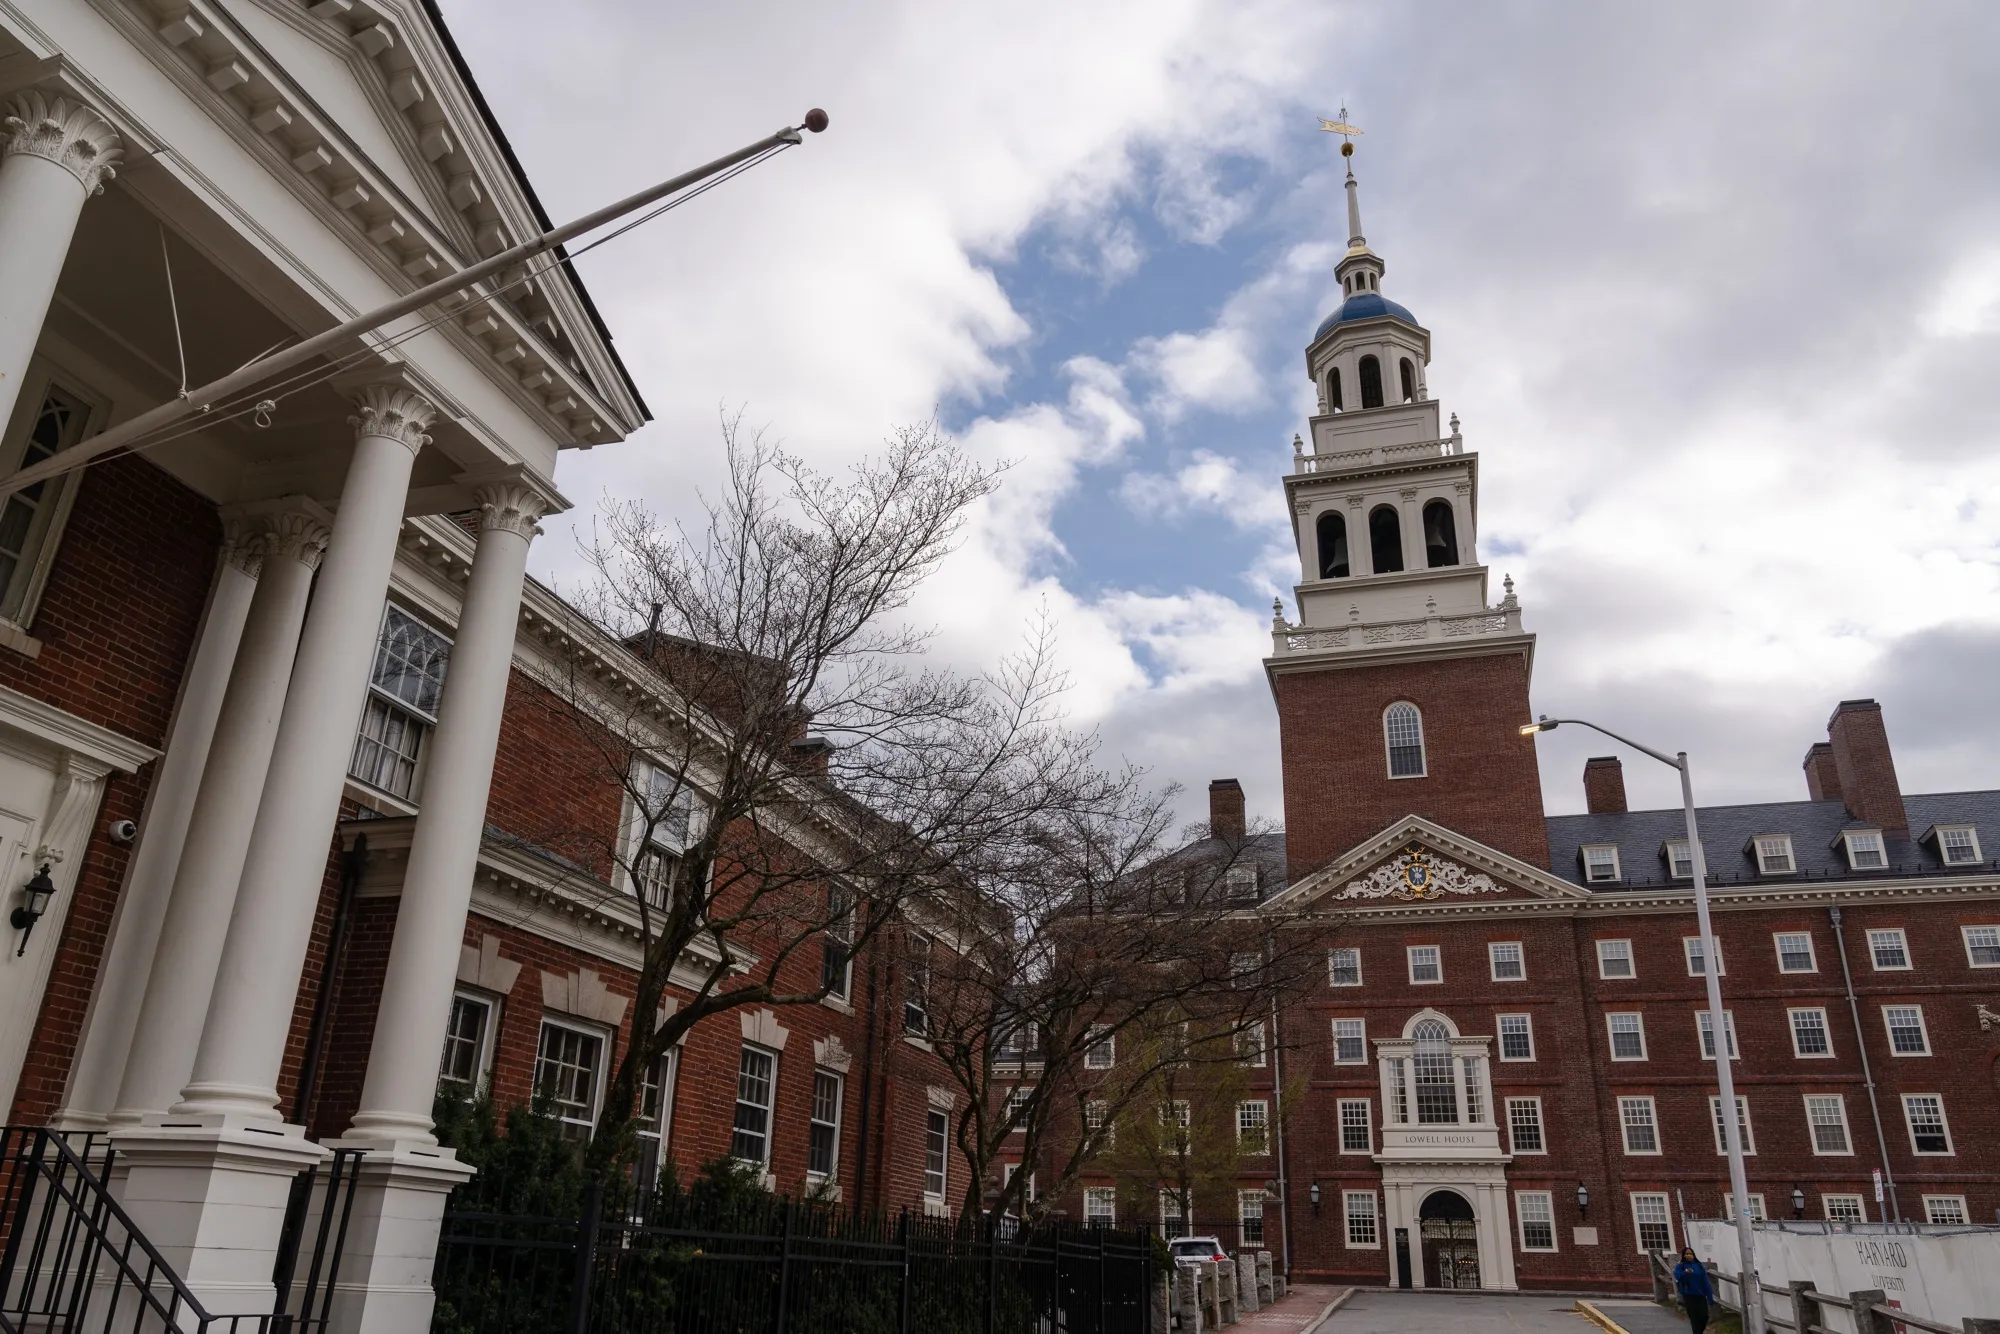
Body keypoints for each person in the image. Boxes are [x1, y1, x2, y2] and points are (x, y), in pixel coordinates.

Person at [1673, 1246, 1716, 1334]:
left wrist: (1710, 1297)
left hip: (1700, 1295)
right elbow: (1678, 1277)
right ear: (1684, 1255)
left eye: (1690, 1254)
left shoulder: (1699, 1266)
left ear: (1693, 1255)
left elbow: (1705, 1282)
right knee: (1694, 1318)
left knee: (1704, 1317)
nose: (1689, 1255)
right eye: (1687, 1254)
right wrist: (1685, 1272)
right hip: (1689, 1296)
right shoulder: (1681, 1266)